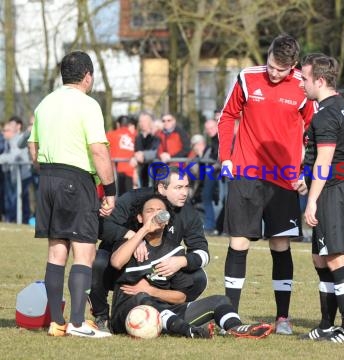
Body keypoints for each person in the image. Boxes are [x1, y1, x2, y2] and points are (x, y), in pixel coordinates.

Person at [217, 34, 314, 334]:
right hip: (245, 173)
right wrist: (225, 157)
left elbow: (314, 130)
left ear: (293, 66)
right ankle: (230, 318)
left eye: (281, 69)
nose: (274, 73)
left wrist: (304, 171)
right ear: (268, 56)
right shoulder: (247, 78)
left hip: (284, 178)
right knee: (239, 242)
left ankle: (282, 317)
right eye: (271, 65)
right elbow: (227, 116)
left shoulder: (303, 86)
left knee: (280, 244)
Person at [28, 51, 116, 338]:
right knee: (84, 250)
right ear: (88, 76)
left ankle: (57, 322)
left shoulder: (44, 103)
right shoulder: (87, 105)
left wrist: (50, 172)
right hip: (76, 181)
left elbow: (33, 147)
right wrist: (110, 190)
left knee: (56, 250)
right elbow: (99, 150)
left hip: (48, 178)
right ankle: (78, 322)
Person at [109, 194, 273, 339]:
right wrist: (143, 231)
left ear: (166, 218)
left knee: (219, 300)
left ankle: (235, 327)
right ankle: (188, 330)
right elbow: (116, 262)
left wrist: (153, 291)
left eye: (160, 210)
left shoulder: (174, 250)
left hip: (167, 316)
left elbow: (180, 297)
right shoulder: (130, 243)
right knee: (142, 299)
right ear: (139, 218)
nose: (155, 215)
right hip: (128, 314)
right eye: (149, 211)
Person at [90, 166, 209, 331]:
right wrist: (133, 236)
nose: (184, 193)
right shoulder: (133, 199)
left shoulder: (189, 213)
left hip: (157, 271)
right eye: (178, 187)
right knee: (98, 262)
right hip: (123, 267)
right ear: (161, 188)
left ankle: (170, 313)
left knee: (198, 277)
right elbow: (101, 227)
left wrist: (182, 261)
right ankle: (101, 316)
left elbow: (203, 253)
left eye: (186, 187)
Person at [298, 53, 344, 342]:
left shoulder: (325, 113)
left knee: (336, 259)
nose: (301, 83)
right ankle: (326, 325)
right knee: (320, 259)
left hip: (334, 191)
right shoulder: (342, 107)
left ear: (320, 80)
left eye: (305, 78)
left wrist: (312, 199)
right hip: (335, 188)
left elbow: (325, 159)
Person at [106, 115, 138, 194]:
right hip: (132, 170)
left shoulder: (111, 135)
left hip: (116, 171)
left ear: (118, 124)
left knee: (119, 199)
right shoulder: (135, 135)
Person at [133, 111, 160, 187]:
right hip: (142, 170)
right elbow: (136, 151)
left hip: (154, 170)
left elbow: (156, 150)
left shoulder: (156, 135)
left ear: (150, 122)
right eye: (140, 121)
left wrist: (143, 155)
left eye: (145, 121)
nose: (142, 123)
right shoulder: (138, 137)